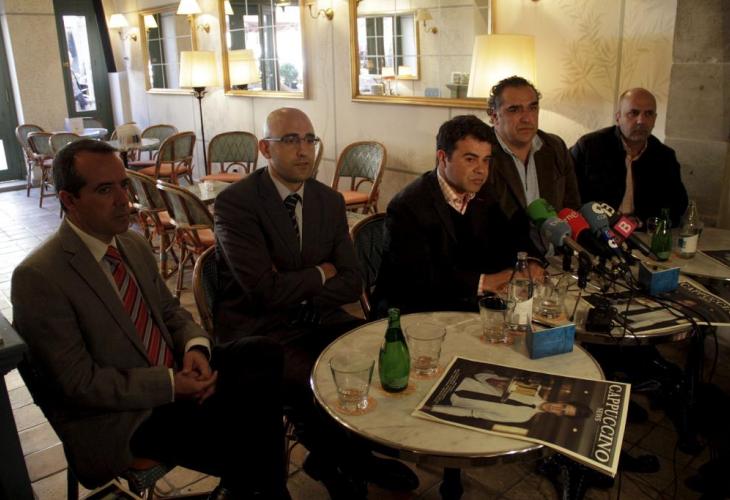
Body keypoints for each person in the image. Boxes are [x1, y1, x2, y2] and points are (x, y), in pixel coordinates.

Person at [11, 139, 288, 500]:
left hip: (171, 375)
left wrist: (195, 350)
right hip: (126, 416)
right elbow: (79, 385)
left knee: (263, 353)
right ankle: (258, 488)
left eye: (124, 184)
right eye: (105, 190)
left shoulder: (132, 243)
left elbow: (170, 312)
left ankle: (244, 487)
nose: (123, 199)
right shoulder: (39, 277)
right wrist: (171, 384)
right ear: (69, 200)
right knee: (250, 434)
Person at [213, 107, 418, 498]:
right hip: (260, 329)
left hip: (319, 316)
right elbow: (264, 291)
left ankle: (336, 457)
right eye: (290, 140)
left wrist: (301, 287)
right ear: (265, 148)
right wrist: (322, 272)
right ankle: (351, 461)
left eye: (310, 139)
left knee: (381, 352)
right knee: (315, 381)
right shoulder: (236, 203)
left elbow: (353, 281)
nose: (304, 150)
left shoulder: (327, 200)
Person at [375, 114, 543, 315]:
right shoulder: (406, 206)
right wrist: (485, 282)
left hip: (466, 305)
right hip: (414, 312)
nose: (481, 170)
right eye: (470, 159)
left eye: (486, 160)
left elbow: (511, 234)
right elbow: (417, 278)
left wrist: (530, 261)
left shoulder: (484, 192)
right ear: (442, 158)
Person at [571, 87, 688, 227]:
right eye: (633, 113)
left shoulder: (664, 157)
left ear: (655, 119)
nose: (641, 121)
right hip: (596, 230)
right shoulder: (589, 147)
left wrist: (640, 222)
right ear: (618, 117)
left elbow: (677, 206)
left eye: (648, 114)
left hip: (642, 230)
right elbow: (569, 197)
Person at [482, 75, 581, 220]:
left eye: (532, 108)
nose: (527, 118)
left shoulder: (555, 146)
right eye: (514, 110)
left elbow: (572, 208)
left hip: (554, 234)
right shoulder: (481, 153)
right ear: (494, 116)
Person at [427, 373, 592, 424]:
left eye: (562, 412)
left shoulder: (522, 418)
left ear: (559, 416)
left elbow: (474, 413)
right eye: (563, 406)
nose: (556, 408)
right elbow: (482, 376)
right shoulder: (532, 389)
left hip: (448, 400)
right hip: (459, 379)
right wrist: (495, 380)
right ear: (562, 402)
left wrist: (434, 408)